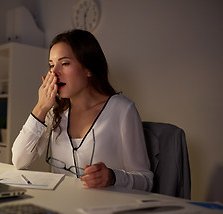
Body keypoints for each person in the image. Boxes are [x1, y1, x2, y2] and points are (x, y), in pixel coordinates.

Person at [12, 29, 153, 191]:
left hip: (103, 211)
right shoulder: (54, 112)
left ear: (89, 68)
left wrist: (113, 177)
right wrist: (41, 107)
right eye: (51, 65)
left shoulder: (122, 109)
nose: (54, 73)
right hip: (62, 208)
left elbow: (146, 181)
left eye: (64, 64)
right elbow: (19, 160)